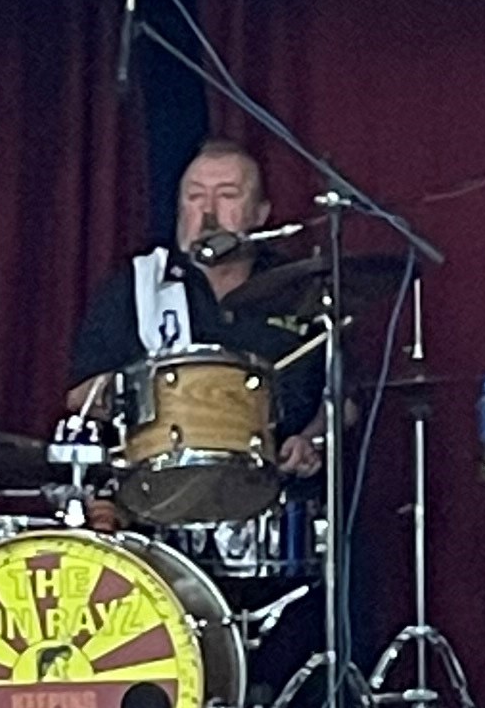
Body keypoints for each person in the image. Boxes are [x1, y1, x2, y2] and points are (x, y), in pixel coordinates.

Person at [68, 138, 324, 472]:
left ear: (261, 213)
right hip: (159, 487)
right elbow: (79, 397)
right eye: (194, 196)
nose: (208, 212)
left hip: (274, 488)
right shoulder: (140, 285)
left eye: (228, 195)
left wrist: (310, 439)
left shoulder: (300, 287)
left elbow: (341, 404)